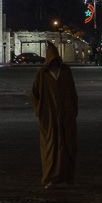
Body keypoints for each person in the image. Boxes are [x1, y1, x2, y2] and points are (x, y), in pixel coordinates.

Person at [31, 43, 78, 189]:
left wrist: (72, 111)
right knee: (50, 146)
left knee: (67, 145)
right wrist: (41, 112)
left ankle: (66, 175)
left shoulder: (65, 72)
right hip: (50, 117)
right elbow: (35, 94)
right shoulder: (42, 74)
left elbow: (72, 92)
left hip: (65, 116)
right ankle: (50, 177)